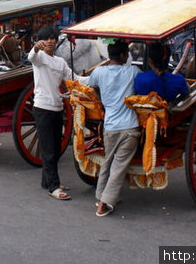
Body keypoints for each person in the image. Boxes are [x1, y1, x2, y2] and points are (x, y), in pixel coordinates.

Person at [28, 26, 87, 201]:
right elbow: (31, 56)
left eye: (53, 38)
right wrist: (35, 47)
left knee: (54, 147)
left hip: (57, 108)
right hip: (42, 108)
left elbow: (74, 79)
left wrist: (96, 78)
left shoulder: (60, 62)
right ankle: (54, 187)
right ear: (41, 40)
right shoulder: (38, 58)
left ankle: (47, 181)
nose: (50, 41)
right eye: (46, 38)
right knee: (48, 150)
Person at [86, 40, 141, 217]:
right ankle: (104, 203)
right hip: (129, 127)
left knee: (108, 162)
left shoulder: (99, 72)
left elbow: (89, 87)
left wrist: (101, 100)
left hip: (109, 126)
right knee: (118, 167)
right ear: (124, 55)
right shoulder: (133, 71)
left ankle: (101, 195)